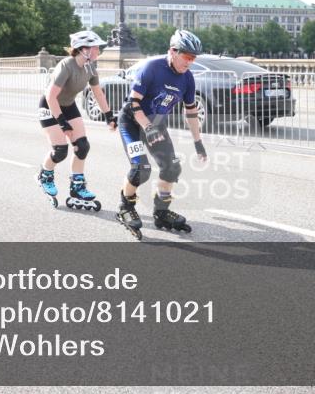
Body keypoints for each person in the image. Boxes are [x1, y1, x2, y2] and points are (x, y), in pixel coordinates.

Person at [116, 29, 207, 240]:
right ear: (173, 51)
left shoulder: (188, 79)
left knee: (172, 167)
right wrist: (148, 128)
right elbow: (133, 103)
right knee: (141, 169)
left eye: (193, 58)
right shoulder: (152, 67)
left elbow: (191, 112)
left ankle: (161, 211)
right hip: (132, 122)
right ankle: (125, 206)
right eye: (186, 56)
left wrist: (198, 143)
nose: (190, 62)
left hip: (156, 125)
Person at [37, 30, 117, 210]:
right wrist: (62, 122)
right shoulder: (67, 66)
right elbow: (51, 97)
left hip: (68, 105)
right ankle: (45, 175)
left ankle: (77, 187)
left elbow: (98, 92)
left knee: (82, 146)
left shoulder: (90, 67)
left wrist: (109, 115)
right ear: (83, 49)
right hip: (50, 106)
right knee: (60, 151)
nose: (99, 51)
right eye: (96, 47)